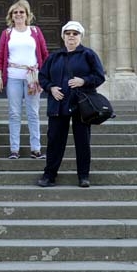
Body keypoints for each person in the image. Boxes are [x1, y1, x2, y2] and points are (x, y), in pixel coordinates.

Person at [37, 20, 106, 189]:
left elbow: (99, 76)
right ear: (63, 37)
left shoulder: (88, 55)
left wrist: (84, 81)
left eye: (75, 34)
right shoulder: (54, 57)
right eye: (68, 34)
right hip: (58, 105)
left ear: (80, 36)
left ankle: (83, 176)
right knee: (54, 142)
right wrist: (51, 88)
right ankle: (49, 175)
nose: (71, 37)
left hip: (80, 105)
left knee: (82, 141)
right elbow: (42, 77)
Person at [0, 0, 49, 159]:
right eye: (15, 12)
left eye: (21, 12)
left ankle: (36, 149)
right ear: (11, 16)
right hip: (13, 76)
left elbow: (45, 55)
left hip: (33, 78)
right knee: (14, 113)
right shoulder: (7, 33)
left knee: (33, 113)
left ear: (27, 15)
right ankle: (14, 149)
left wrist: (45, 76)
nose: (18, 15)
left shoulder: (35, 31)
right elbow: (0, 57)